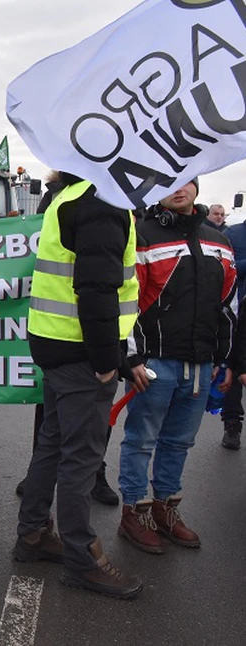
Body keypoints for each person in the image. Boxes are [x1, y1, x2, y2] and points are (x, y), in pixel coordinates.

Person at [15, 171, 143, 599]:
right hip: (81, 351)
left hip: (55, 341)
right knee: (81, 458)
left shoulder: (68, 194)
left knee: (53, 444)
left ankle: (32, 535)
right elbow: (96, 287)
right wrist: (109, 361)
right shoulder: (102, 200)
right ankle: (82, 559)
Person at [117, 179, 236, 554]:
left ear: (198, 187)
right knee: (141, 440)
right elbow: (125, 302)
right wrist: (131, 358)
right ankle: (135, 513)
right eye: (168, 181)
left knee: (179, 443)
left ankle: (165, 508)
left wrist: (224, 358)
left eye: (186, 179)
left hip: (201, 365)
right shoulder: (142, 235)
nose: (178, 188)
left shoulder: (219, 239)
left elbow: (227, 307)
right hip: (154, 363)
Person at [221, 216, 246, 449]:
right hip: (239, 311)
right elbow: (227, 268)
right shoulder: (233, 233)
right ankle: (232, 422)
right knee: (236, 367)